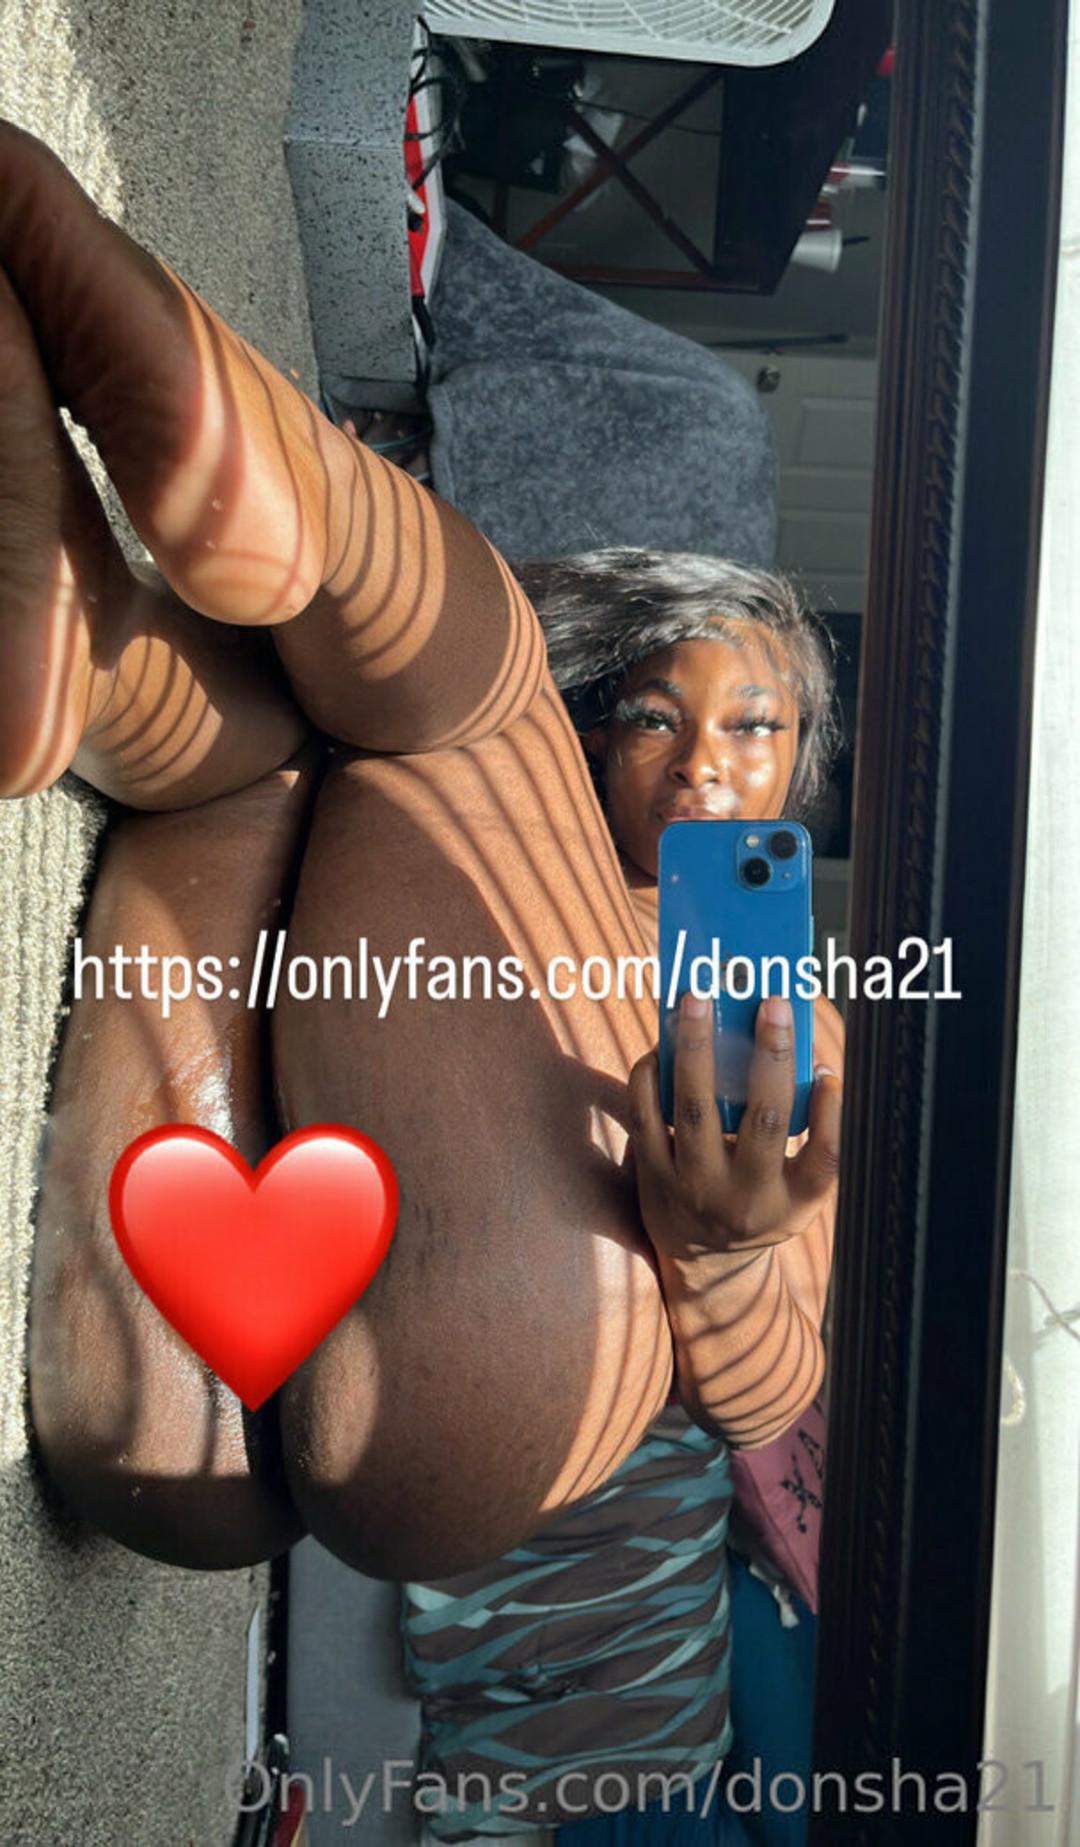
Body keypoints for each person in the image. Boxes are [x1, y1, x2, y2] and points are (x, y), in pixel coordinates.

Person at [1, 118, 843, 1830]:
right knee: (259, 766)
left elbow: (773, 1391)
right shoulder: (509, 843)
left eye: (756, 729)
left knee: (466, 680)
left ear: (800, 782)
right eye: (656, 715)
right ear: (612, 732)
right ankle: (93, 643)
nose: (703, 762)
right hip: (179, 1431)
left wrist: (723, 1246)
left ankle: (273, 491)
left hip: (487, 1378)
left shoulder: (778, 1008)